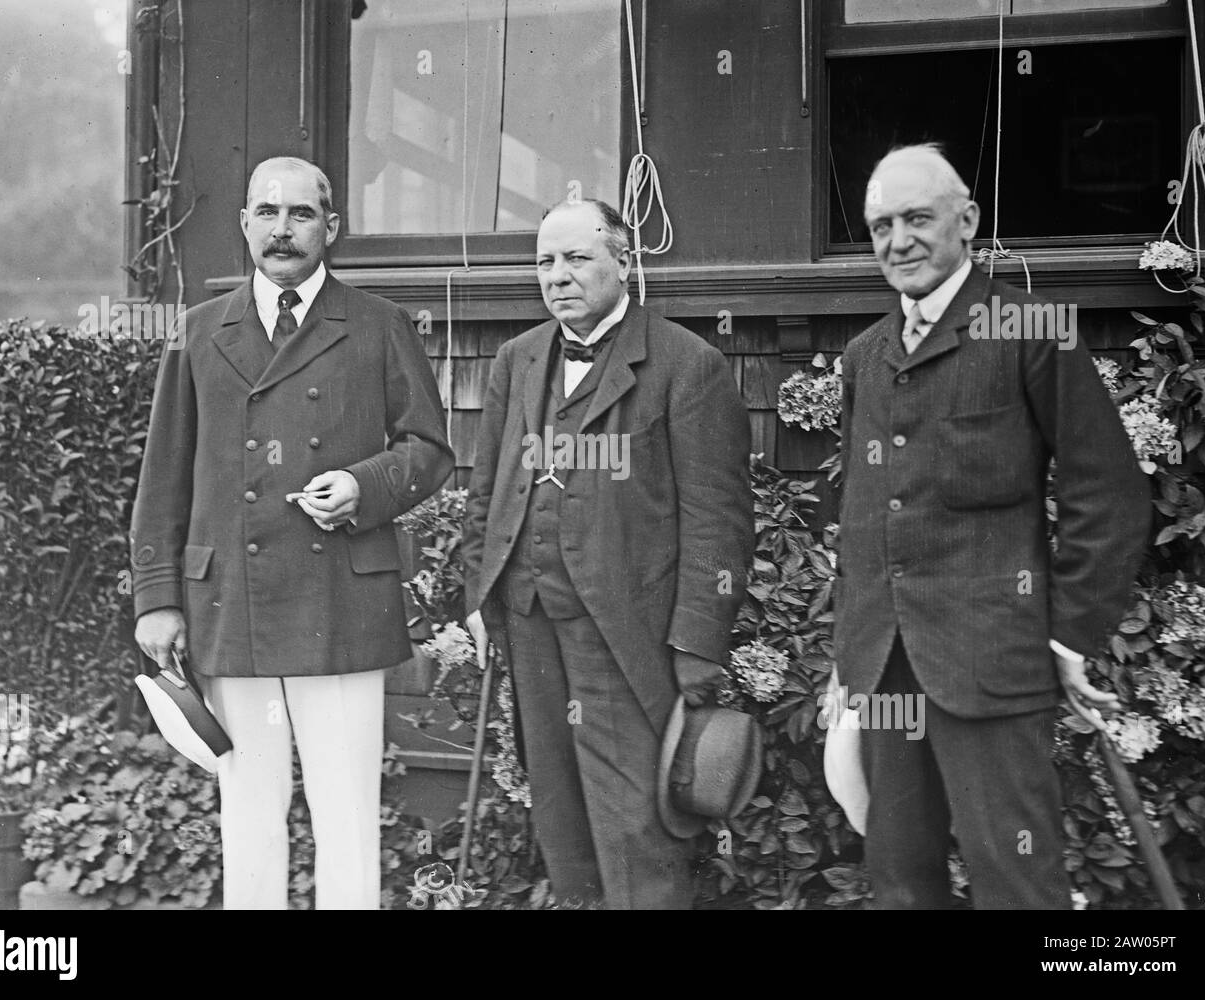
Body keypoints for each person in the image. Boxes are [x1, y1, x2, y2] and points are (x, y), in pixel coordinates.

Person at [130, 156, 453, 909]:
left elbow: (429, 449)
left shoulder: (378, 325)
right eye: (267, 213)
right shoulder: (199, 332)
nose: (282, 229)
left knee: (346, 819)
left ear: (331, 227)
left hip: (340, 601)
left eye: (301, 214)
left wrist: (362, 487)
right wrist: (156, 598)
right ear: (244, 223)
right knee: (249, 814)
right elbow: (162, 477)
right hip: (232, 604)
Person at [834, 144, 1149, 908]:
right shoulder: (865, 356)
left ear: (967, 220)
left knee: (1017, 885)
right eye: (881, 225)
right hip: (885, 670)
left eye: (917, 218)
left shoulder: (1029, 328)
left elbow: (1106, 490)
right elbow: (863, 513)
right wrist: (847, 654)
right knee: (901, 883)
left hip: (993, 669)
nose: (898, 241)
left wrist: (1069, 634)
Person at [461, 198, 752, 909]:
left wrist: (695, 645)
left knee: (637, 832)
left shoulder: (689, 365)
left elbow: (719, 520)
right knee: (559, 818)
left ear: (625, 262)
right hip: (529, 623)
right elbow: (486, 489)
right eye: (545, 261)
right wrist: (479, 594)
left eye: (577, 258)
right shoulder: (516, 360)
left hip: (628, 637)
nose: (558, 276)